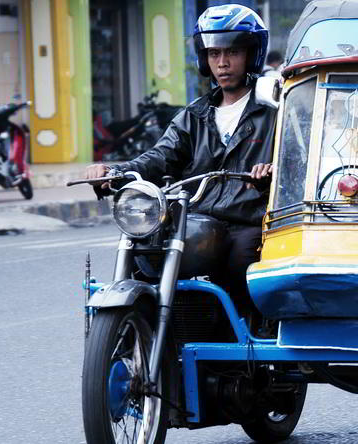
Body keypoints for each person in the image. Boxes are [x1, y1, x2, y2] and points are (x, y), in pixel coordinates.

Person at [83, 4, 275, 319]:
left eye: (233, 53)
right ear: (204, 59)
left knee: (242, 261)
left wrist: (272, 172)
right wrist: (116, 173)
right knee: (147, 250)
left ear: (251, 55)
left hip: (250, 219)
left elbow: (296, 162)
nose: (223, 63)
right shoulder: (194, 116)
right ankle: (148, 326)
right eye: (214, 54)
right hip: (198, 219)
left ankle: (247, 341)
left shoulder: (273, 112)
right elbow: (159, 157)